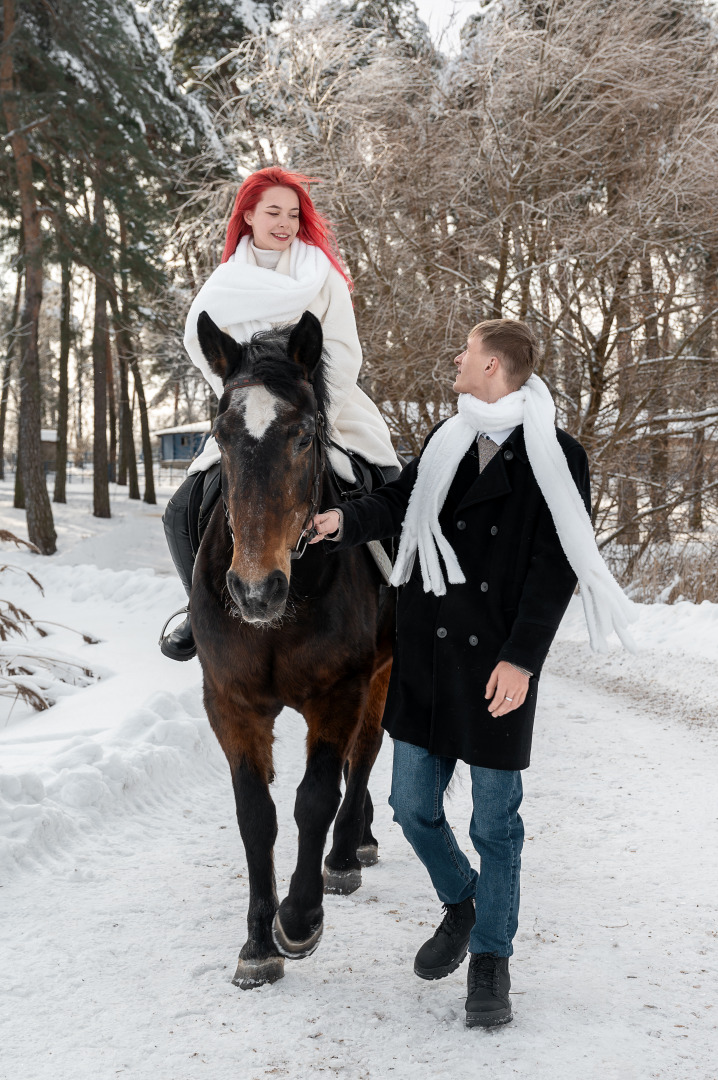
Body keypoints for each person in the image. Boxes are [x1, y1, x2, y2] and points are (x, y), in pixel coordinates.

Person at [310, 319, 636, 1028]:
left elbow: (557, 566)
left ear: (493, 366)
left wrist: (523, 660)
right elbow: (401, 504)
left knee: (496, 825)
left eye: (465, 351)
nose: (454, 359)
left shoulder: (558, 454)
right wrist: (344, 520)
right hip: (427, 655)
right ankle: (464, 901)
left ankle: (491, 961)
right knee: (410, 807)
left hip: (497, 665)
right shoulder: (447, 439)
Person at [159, 167, 400, 661]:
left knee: (387, 480)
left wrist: (306, 406)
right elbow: (199, 343)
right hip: (249, 418)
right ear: (247, 215)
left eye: (294, 213)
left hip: (326, 408)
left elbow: (343, 350)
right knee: (180, 508)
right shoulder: (224, 282)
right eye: (273, 212)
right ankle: (195, 607)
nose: (285, 222)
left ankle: (405, 602)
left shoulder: (322, 275)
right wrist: (246, 402)